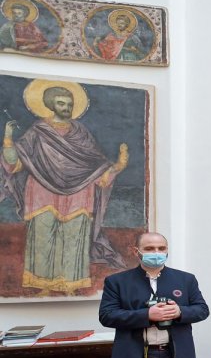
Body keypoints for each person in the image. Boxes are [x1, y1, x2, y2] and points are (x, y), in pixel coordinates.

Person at [4, 81, 129, 295]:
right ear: (51, 105)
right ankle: (44, 285)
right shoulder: (38, 131)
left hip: (80, 191)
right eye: (61, 103)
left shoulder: (80, 131)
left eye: (69, 104)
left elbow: (94, 165)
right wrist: (8, 138)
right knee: (43, 237)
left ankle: (71, 285)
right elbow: (16, 164)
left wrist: (117, 166)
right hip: (43, 190)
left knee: (75, 237)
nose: (66, 107)